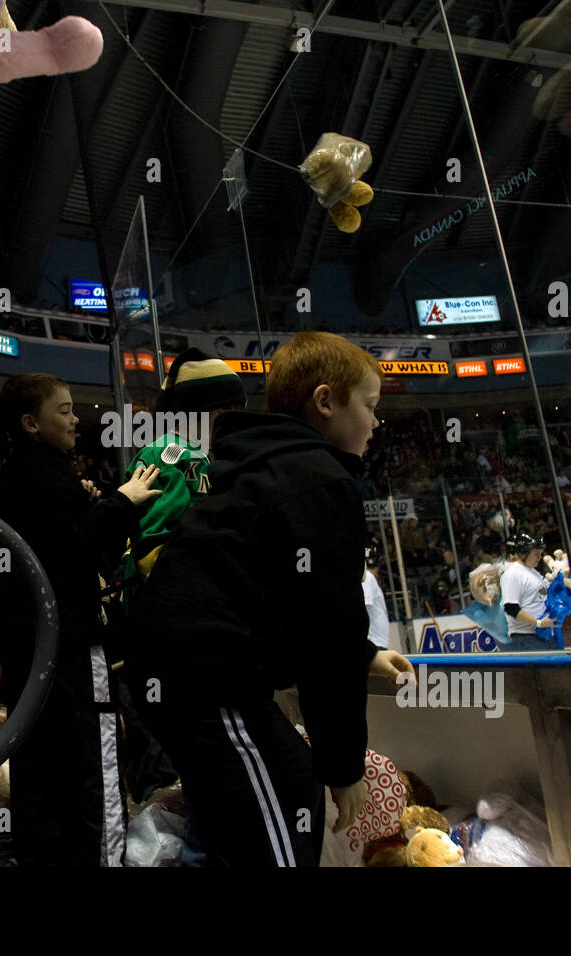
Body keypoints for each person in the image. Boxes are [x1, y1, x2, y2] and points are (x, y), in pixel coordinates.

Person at [128, 331, 414, 867]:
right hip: (206, 681)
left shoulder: (263, 469)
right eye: (370, 406)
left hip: (189, 672)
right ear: (326, 401)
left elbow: (304, 609)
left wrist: (363, 654)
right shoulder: (318, 479)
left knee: (291, 782)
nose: (377, 424)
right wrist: (346, 768)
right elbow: (326, 634)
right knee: (275, 828)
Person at [0, 373, 161, 867]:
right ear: (30, 423)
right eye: (62, 411)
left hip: (38, 655)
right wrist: (123, 501)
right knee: (92, 767)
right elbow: (78, 547)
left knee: (41, 777)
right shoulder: (43, 476)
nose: (74, 420)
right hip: (72, 653)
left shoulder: (23, 476)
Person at [123, 349, 246, 581]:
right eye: (227, 410)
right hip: (174, 598)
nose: (233, 420)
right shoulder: (169, 454)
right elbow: (152, 546)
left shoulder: (202, 453)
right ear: (197, 409)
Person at [500, 534, 555, 652]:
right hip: (525, 638)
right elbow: (511, 607)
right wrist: (538, 623)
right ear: (524, 553)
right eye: (536, 554)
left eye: (541, 553)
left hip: (542, 635)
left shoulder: (533, 572)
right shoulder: (512, 574)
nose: (539, 557)